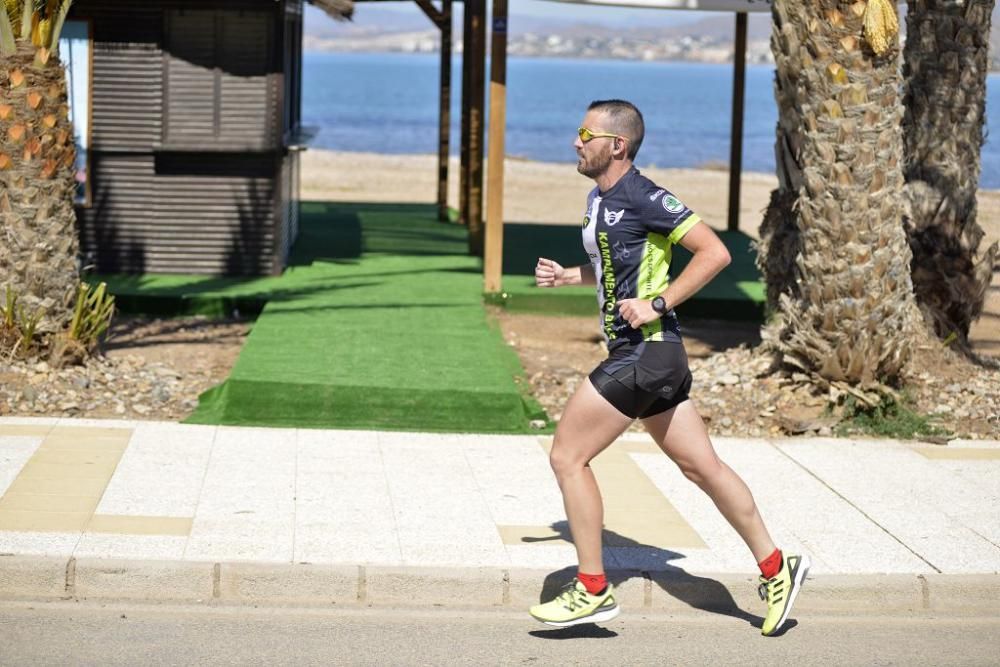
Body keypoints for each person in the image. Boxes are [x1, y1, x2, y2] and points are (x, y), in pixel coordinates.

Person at [528, 99, 809, 636]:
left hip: (647, 351)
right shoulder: (599, 198)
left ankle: (592, 588)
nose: (574, 141)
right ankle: (777, 567)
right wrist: (571, 277)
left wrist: (658, 304)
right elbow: (617, 272)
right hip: (647, 355)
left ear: (617, 145)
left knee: (568, 456)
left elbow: (714, 253)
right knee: (702, 468)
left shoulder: (644, 195)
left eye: (584, 133)